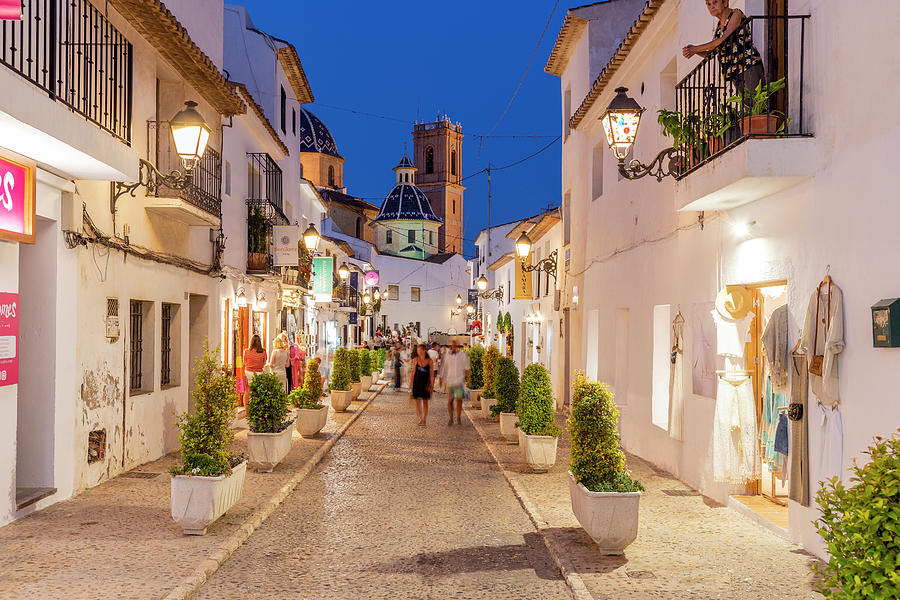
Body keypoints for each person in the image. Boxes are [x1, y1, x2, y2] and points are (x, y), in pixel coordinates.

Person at [682, 0, 765, 110]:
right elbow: (712, 53)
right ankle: (757, 127)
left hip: (748, 64)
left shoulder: (736, 14)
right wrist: (695, 51)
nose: (712, 6)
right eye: (708, 4)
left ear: (725, 2)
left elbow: (724, 39)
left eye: (715, 2)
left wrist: (696, 48)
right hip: (735, 71)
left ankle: (765, 126)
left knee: (758, 102)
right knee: (748, 106)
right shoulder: (718, 28)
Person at [442, 340, 469, 425]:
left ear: (457, 346)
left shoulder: (462, 355)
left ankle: (458, 418)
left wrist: (468, 380)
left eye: (454, 346)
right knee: (450, 400)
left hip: (459, 381)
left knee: (459, 400)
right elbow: (444, 368)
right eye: (451, 346)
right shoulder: (446, 355)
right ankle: (451, 418)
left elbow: (467, 368)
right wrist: (441, 379)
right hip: (450, 382)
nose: (453, 347)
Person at [409, 343, 434, 426]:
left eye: (419, 350)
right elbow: (413, 372)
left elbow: (432, 374)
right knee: (417, 401)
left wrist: (432, 385)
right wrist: (410, 384)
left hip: (425, 383)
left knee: (425, 401)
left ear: (424, 350)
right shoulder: (416, 359)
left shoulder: (430, 361)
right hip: (417, 382)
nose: (418, 351)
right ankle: (420, 418)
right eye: (417, 350)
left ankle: (424, 418)